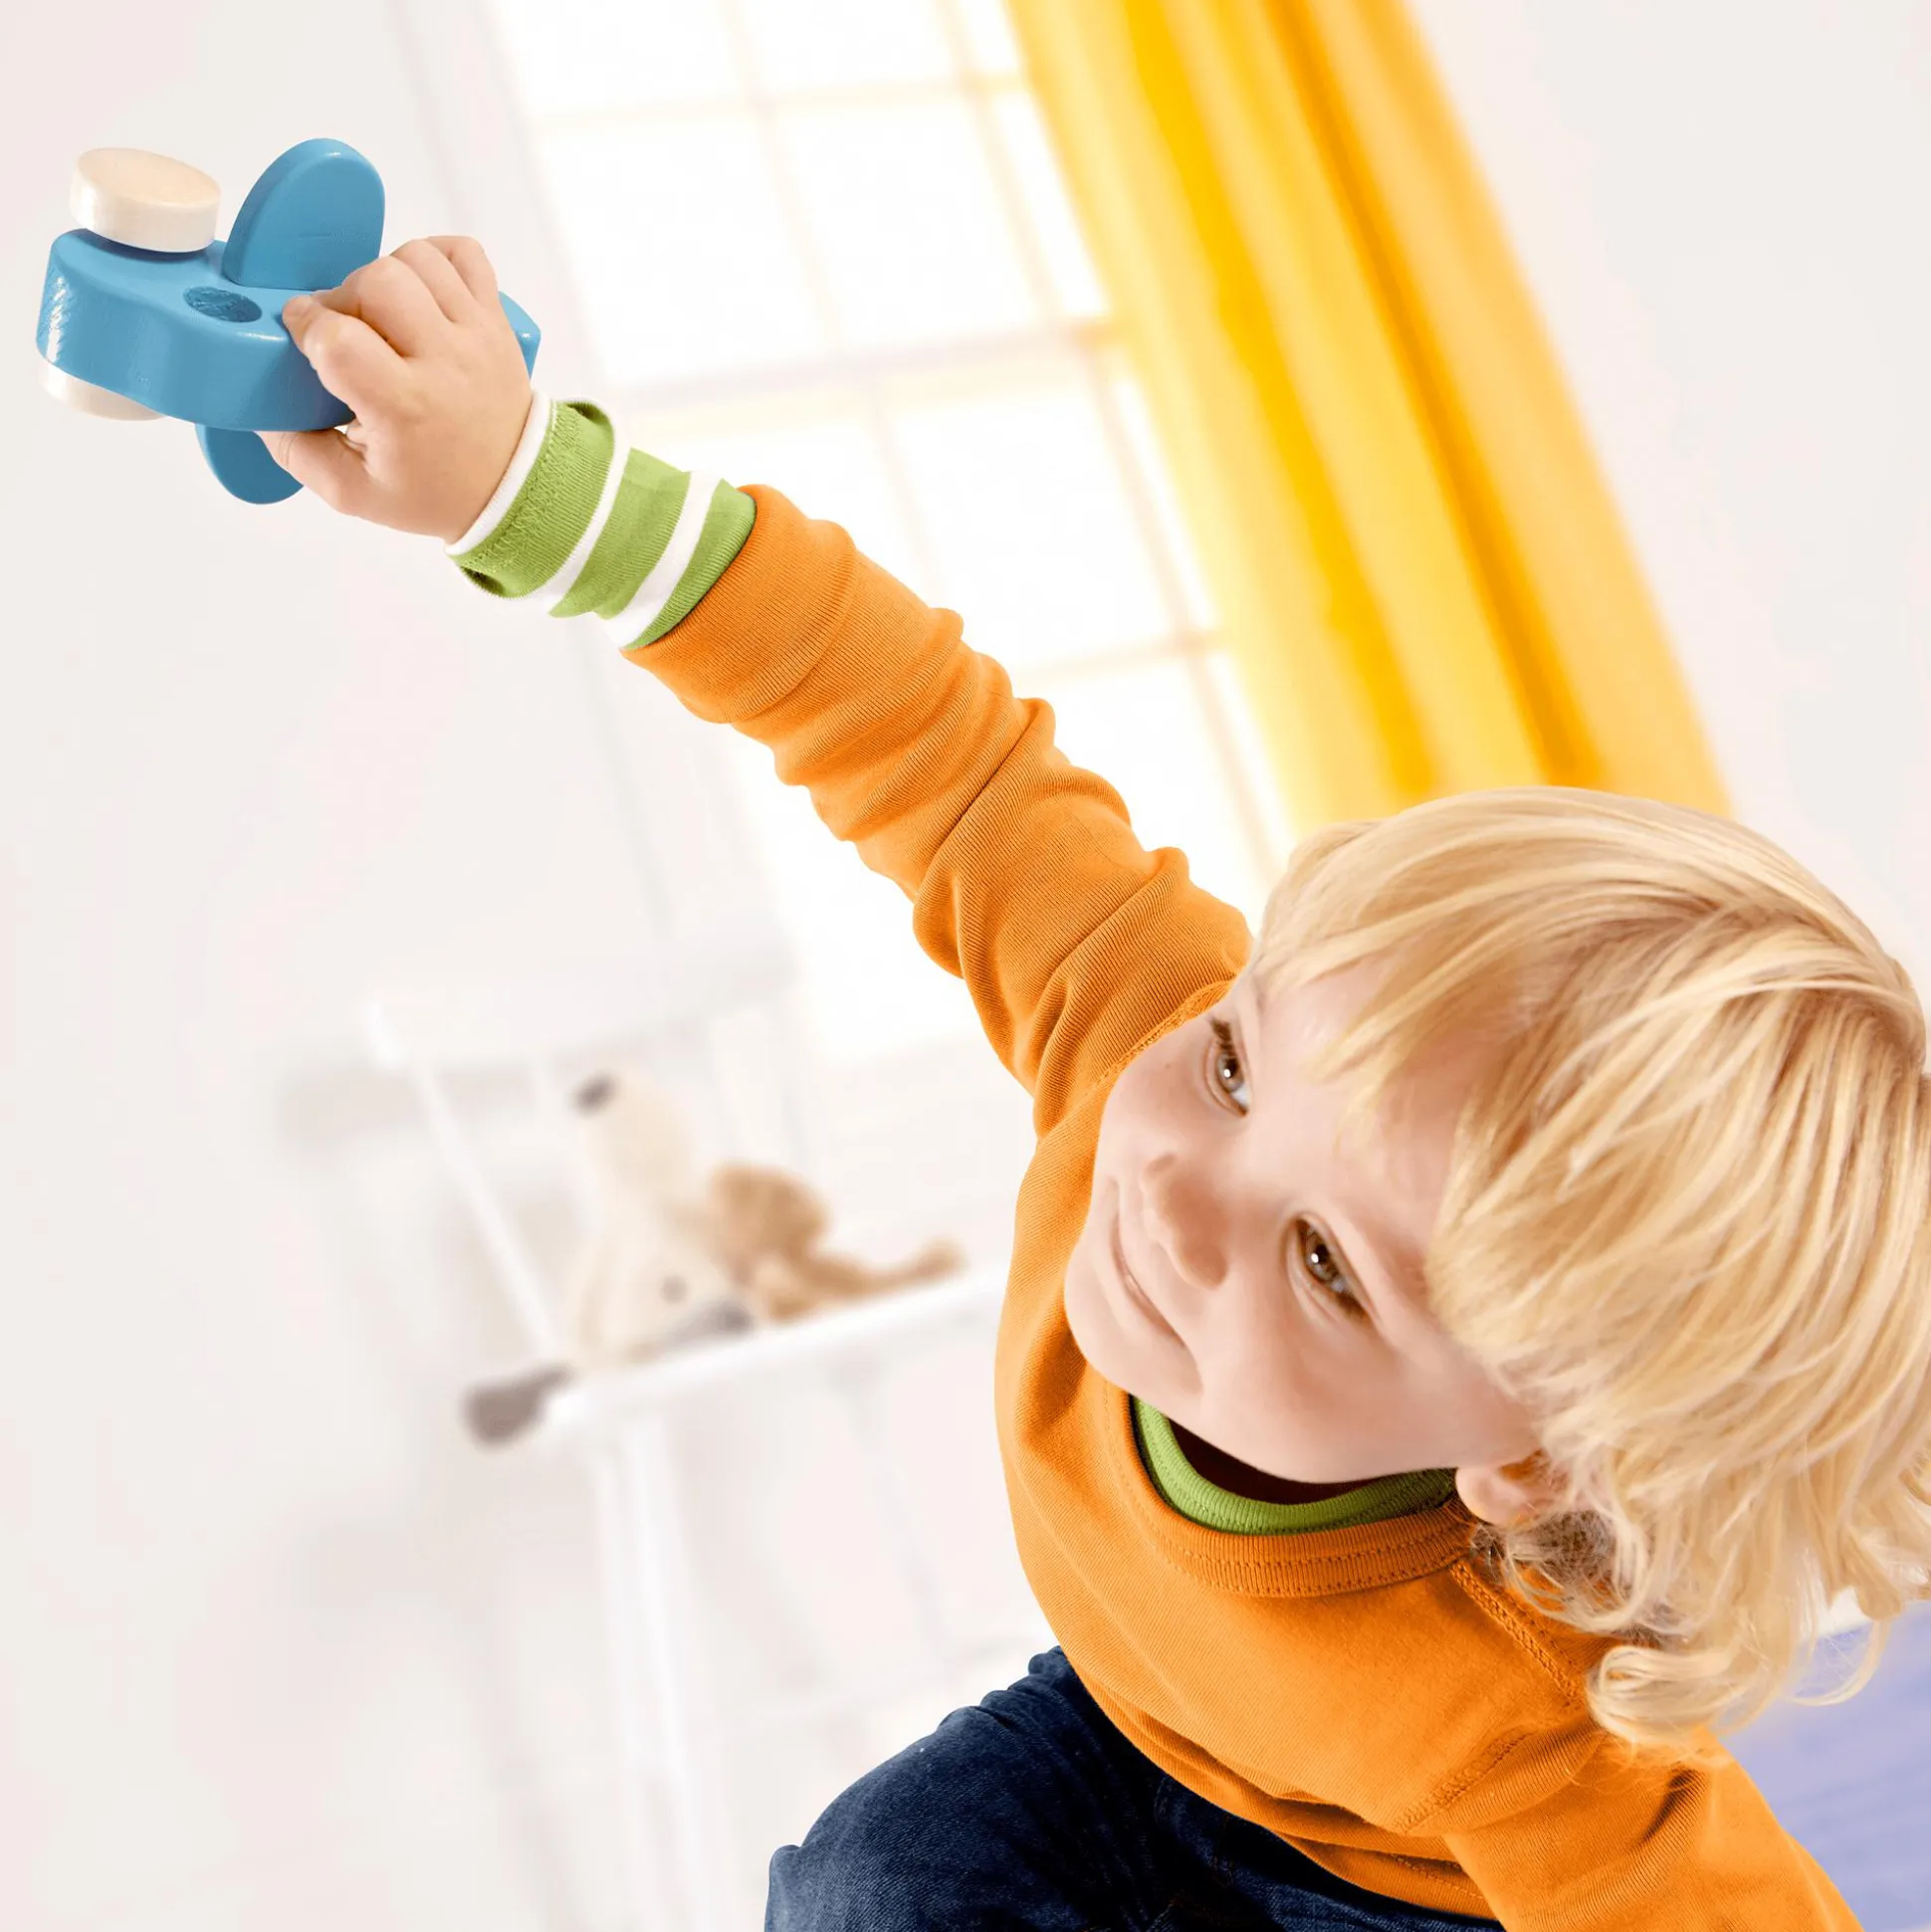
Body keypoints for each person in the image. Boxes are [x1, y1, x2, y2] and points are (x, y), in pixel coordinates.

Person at [266, 238, 1930, 1930]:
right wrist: (519, 482)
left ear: (1535, 1461)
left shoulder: (1529, 1716)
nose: (1175, 1191)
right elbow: (919, 733)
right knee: (867, 1887)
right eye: (1237, 1063)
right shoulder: (1132, 1023)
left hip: (1396, 1895)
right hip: (1129, 1736)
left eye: (1327, 1264)